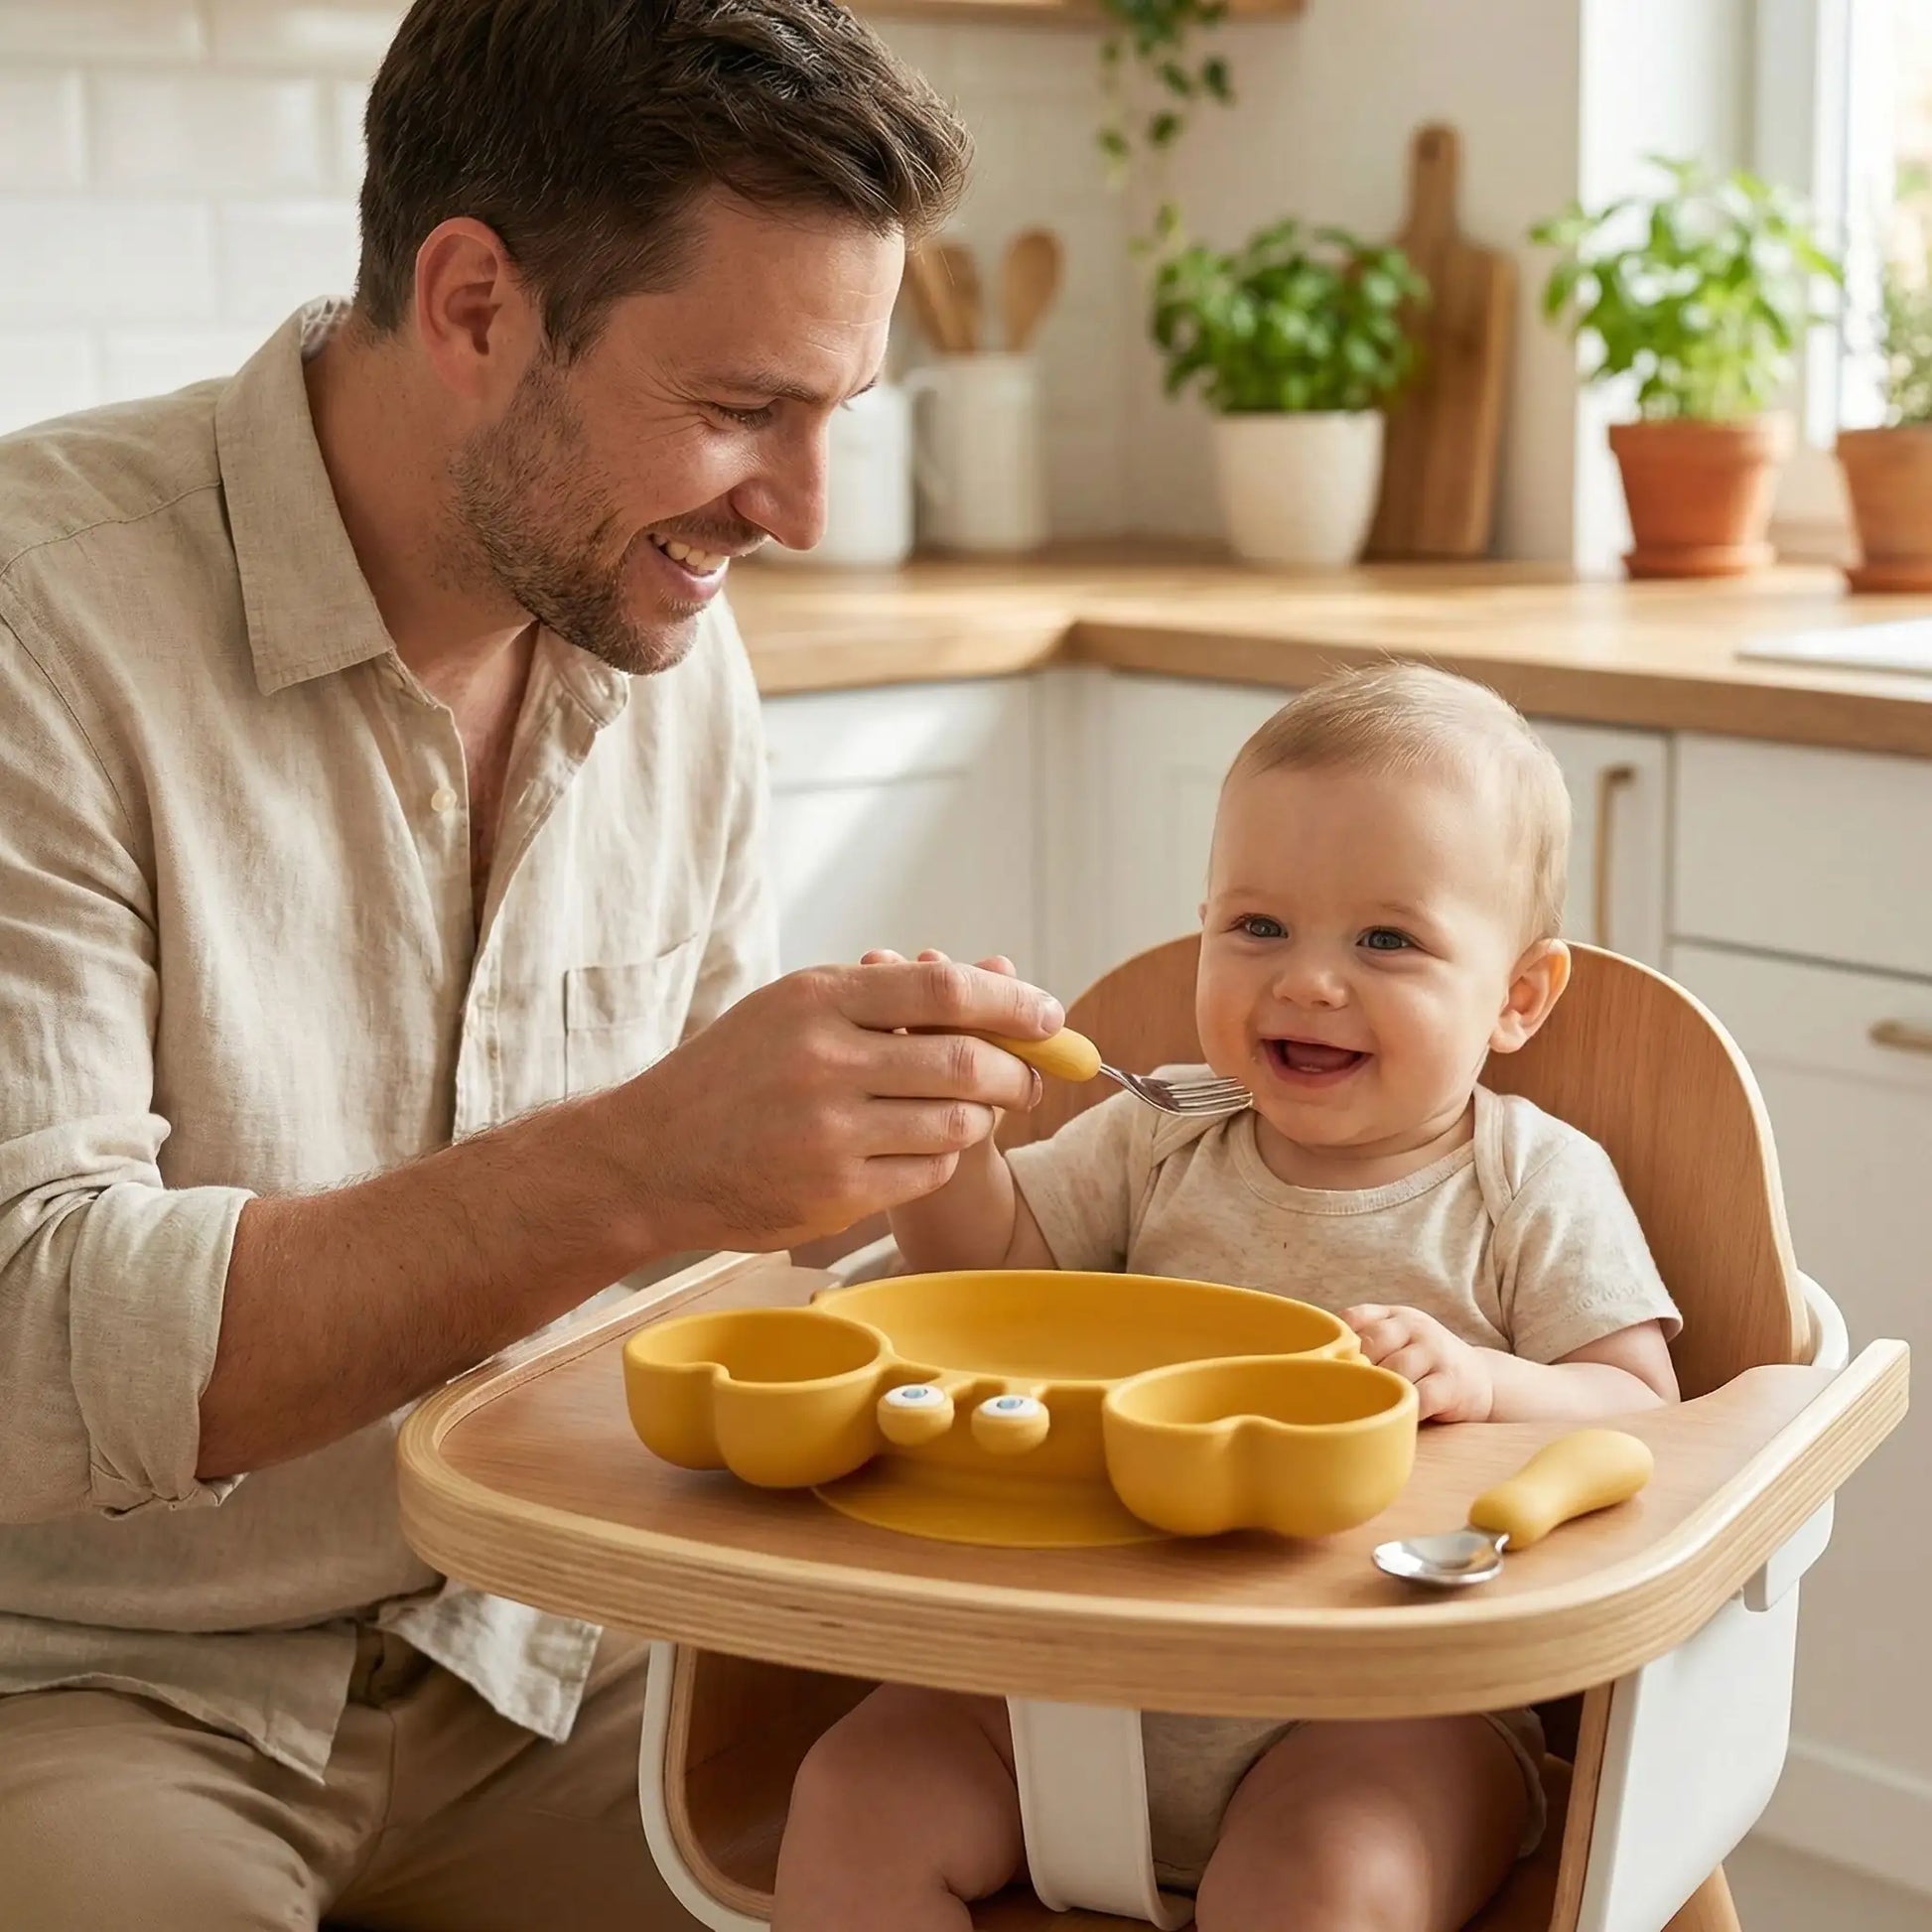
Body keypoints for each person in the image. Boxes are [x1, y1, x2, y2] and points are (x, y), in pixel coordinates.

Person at [0, 3, 1067, 1927]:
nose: (802, 510)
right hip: (87, 1678)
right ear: (477, 303)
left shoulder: (661, 626)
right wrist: (651, 1156)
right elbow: (23, 1329)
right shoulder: (42, 617)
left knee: (1074, 1838)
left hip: (551, 1631)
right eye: (746, 406)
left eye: (841, 412)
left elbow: (696, 1281)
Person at [774, 665, 1685, 1932]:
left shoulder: (1528, 1178)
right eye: (1257, 927)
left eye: (1385, 939)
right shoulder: (1160, 1140)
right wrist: (951, 1142)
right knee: (849, 1797)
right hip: (1069, 1662)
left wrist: (1487, 1382)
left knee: (1317, 1883)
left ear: (1517, 995)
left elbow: (1647, 1410)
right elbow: (985, 1288)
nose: (1306, 980)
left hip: (1381, 1706)